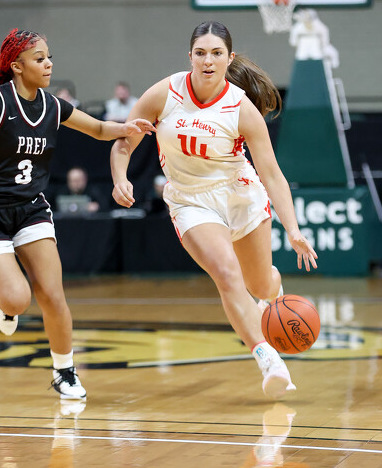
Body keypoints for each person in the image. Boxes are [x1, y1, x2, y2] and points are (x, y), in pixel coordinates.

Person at [0, 28, 155, 401]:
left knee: (52, 294)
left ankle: (64, 371)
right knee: (18, 300)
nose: (48, 64)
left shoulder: (53, 105)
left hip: (31, 209)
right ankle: (6, 303)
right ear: (17, 66)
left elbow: (98, 128)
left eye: (49, 57)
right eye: (39, 58)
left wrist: (125, 128)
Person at [110, 21, 317, 400]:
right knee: (226, 273)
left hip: (239, 195)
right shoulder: (165, 93)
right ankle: (268, 358)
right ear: (189, 56)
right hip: (190, 200)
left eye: (216, 53)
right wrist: (119, 176)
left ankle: (271, 290)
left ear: (229, 58)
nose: (208, 60)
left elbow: (272, 173)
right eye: (201, 53)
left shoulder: (242, 107)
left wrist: (293, 228)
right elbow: (125, 139)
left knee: (260, 285)